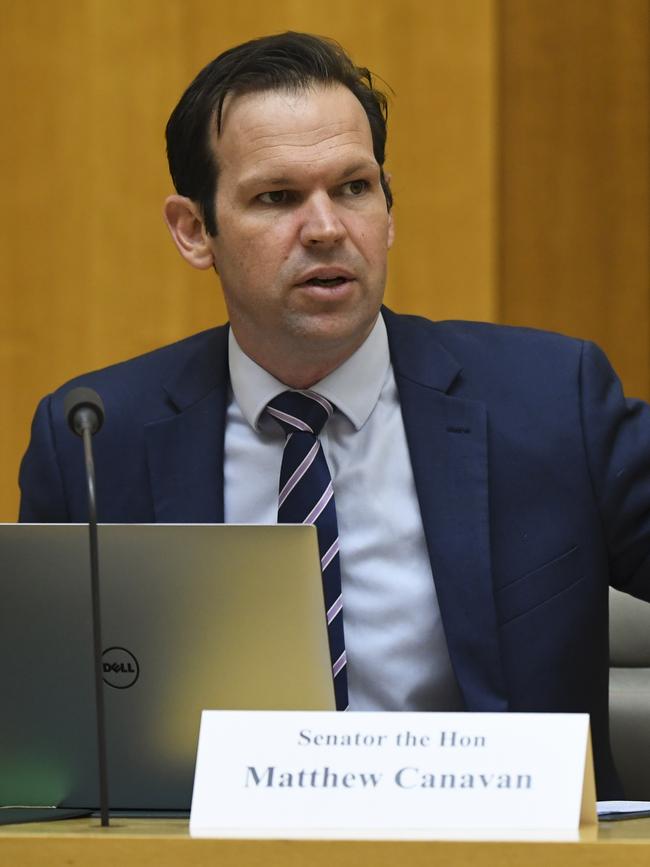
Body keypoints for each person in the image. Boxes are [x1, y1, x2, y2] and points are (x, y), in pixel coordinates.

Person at [19, 32, 650, 799]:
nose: (325, 227)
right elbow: (45, 747)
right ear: (194, 231)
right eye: (277, 197)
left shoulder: (552, 402)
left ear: (388, 208)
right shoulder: (94, 436)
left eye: (353, 187)